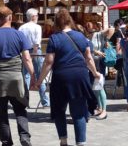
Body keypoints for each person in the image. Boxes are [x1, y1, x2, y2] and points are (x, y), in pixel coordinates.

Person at [35, 9, 100, 146]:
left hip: (61, 78)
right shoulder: (81, 37)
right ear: (70, 20)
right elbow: (88, 58)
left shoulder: (54, 38)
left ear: (57, 23)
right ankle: (81, 142)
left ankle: (63, 140)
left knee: (59, 110)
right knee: (79, 112)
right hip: (80, 77)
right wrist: (95, 73)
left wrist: (40, 80)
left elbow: (48, 62)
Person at [0, 6, 35, 146]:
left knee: (2, 112)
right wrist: (34, 76)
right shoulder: (19, 35)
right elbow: (27, 59)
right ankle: (25, 137)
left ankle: (6, 141)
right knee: (20, 109)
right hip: (16, 78)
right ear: (10, 17)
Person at [18, 8, 49, 107]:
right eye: (37, 15)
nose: (38, 17)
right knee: (40, 75)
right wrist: (34, 55)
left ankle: (24, 100)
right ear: (33, 16)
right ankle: (45, 101)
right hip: (35, 51)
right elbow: (36, 43)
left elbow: (20, 42)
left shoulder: (21, 28)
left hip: (25, 51)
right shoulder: (37, 27)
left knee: (26, 76)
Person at [85, 22, 108, 120]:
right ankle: (99, 108)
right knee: (96, 88)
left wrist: (100, 29)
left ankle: (104, 110)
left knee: (100, 87)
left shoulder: (99, 34)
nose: (90, 31)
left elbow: (111, 30)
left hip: (98, 63)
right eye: (88, 29)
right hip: (92, 64)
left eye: (91, 29)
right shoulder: (86, 38)